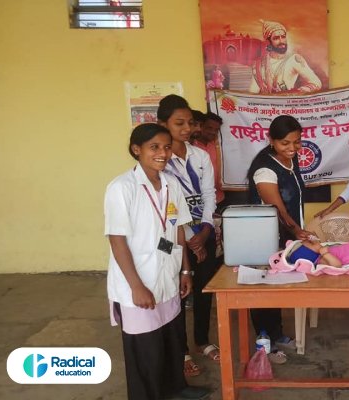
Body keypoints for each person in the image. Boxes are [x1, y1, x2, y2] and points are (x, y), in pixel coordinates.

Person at [104, 123, 211, 400]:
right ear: (136, 150)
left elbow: (178, 228)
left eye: (166, 146)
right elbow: (117, 241)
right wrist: (136, 286)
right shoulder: (121, 188)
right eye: (154, 147)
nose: (162, 153)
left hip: (167, 274)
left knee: (171, 338)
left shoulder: (170, 183)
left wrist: (185, 270)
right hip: (138, 279)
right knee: (145, 349)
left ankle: (177, 388)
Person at [157, 95, 222, 367]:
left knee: (204, 289)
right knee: (176, 294)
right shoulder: (160, 159)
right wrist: (188, 237)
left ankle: (202, 340)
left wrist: (206, 230)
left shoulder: (200, 155)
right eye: (178, 123)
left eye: (189, 123)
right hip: (171, 238)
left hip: (203, 233)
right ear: (163, 124)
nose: (186, 129)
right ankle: (181, 351)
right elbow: (165, 207)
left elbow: (208, 194)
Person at [247, 114, 316, 364]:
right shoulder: (265, 168)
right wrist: (297, 230)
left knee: (274, 286)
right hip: (264, 236)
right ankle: (263, 339)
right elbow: (278, 208)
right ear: (272, 141)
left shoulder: (290, 161)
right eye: (285, 143)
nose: (292, 148)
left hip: (283, 235)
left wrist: (297, 230)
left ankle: (275, 332)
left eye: (297, 142)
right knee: (262, 286)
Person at [249, 19, 322, 94]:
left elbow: (316, 82)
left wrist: (301, 91)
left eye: (283, 37)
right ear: (269, 42)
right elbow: (253, 92)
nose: (281, 41)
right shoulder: (259, 64)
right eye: (276, 38)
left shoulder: (294, 59)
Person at [193, 112, 225, 207]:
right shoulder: (191, 146)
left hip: (219, 198)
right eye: (209, 128)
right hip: (198, 201)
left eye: (216, 130)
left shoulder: (219, 146)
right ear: (200, 126)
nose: (213, 132)